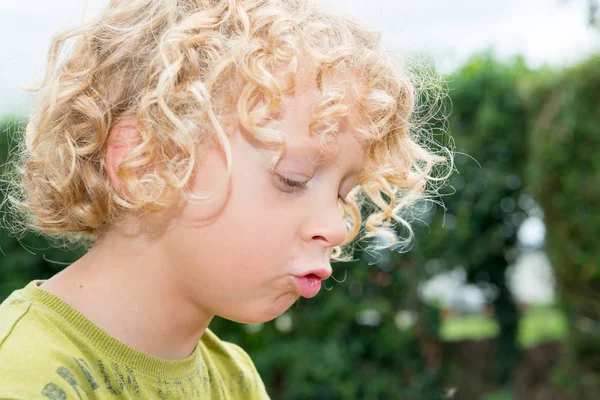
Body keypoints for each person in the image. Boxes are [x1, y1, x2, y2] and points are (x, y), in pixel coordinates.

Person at [0, 0, 451, 398]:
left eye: (342, 193)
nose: (336, 227)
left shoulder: (235, 380)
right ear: (146, 165)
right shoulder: (21, 373)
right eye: (293, 179)